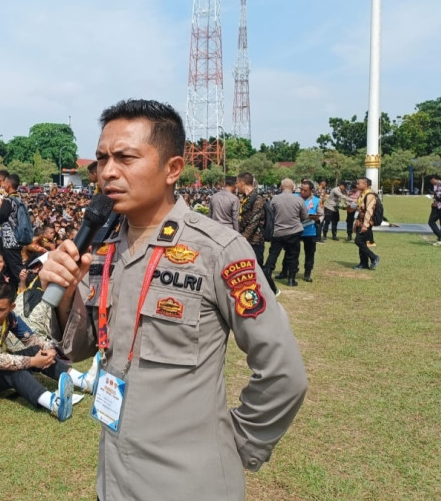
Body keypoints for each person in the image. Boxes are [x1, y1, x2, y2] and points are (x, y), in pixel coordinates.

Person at [40, 99, 307, 501]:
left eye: (125, 157)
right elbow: (79, 349)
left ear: (173, 169)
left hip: (188, 482)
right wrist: (66, 291)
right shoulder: (104, 248)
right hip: (114, 478)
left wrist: (237, 445)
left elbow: (283, 373)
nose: (107, 172)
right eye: (101, 159)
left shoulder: (218, 249)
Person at [0, 281, 96, 421]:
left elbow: (33, 340)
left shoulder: (11, 318)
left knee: (35, 350)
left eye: (1, 309)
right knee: (14, 371)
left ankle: (83, 382)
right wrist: (34, 362)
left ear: (12, 307)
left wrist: (48, 349)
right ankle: (54, 404)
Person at [235, 172, 278, 296]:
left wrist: (243, 237)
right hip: (247, 239)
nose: (236, 185)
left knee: (258, 268)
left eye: (237, 183)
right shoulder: (246, 198)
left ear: (243, 183)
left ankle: (273, 289)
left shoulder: (258, 199)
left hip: (255, 240)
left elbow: (255, 220)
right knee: (246, 268)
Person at [265, 178, 307, 287]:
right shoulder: (299, 200)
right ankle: (291, 279)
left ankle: (267, 273)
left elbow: (270, 215)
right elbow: (304, 216)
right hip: (293, 231)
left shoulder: (274, 199)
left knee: (273, 254)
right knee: (293, 255)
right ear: (293, 188)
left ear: (281, 187)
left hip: (278, 231)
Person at [353, 177, 380, 270]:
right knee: (362, 242)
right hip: (360, 221)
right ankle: (363, 263)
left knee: (358, 241)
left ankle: (374, 257)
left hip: (366, 222)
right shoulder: (362, 194)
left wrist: (365, 224)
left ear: (365, 185)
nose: (357, 185)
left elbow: (369, 211)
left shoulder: (370, 195)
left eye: (358, 183)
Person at [298, 181, 322, 282]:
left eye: (305, 190)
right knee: (292, 252)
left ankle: (307, 273)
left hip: (310, 231)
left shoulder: (317, 200)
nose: (302, 192)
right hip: (296, 229)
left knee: (310, 253)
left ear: (311, 190)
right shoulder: (296, 198)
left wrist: (317, 219)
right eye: (301, 189)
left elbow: (321, 214)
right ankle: (287, 271)